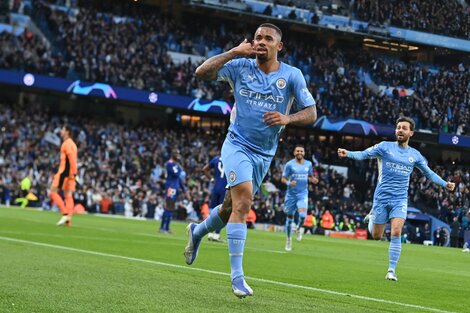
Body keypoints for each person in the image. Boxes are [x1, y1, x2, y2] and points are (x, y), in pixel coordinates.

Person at [184, 23, 316, 298]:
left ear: (279, 46)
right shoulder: (240, 65)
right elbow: (202, 73)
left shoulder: (292, 75)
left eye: (268, 38)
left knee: (231, 206)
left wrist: (287, 118)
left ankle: (197, 232)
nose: (261, 42)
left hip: (265, 153)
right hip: (237, 145)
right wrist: (233, 51)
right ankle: (237, 278)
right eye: (258, 37)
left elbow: (312, 112)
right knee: (243, 202)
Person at [337, 116, 455, 281]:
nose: (400, 130)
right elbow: (364, 154)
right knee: (377, 236)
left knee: (396, 231)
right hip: (381, 198)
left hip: (399, 199)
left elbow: (429, 174)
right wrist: (347, 153)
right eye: (398, 127)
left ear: (411, 133)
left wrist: (445, 184)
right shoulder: (384, 147)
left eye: (404, 128)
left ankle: (391, 270)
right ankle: (372, 218)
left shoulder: (415, 155)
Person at [281, 144, 318, 251]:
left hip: (303, 194)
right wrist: (289, 183)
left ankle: (298, 228)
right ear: (294, 152)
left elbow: (310, 176)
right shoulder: (289, 165)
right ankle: (288, 239)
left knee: (302, 216)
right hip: (291, 196)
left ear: (304, 153)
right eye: (297, 151)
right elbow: (283, 179)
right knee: (289, 219)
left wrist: (313, 180)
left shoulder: (308, 164)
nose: (299, 153)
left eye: (301, 151)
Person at [50, 125, 78, 226]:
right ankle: (68, 220)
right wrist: (74, 173)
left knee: (52, 192)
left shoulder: (67, 144)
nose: (61, 131)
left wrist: (73, 172)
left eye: (62, 129)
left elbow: (71, 159)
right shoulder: (73, 144)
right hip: (70, 173)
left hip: (64, 172)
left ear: (67, 132)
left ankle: (65, 213)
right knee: (68, 195)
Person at [160, 149, 186, 233]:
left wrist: (183, 188)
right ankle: (162, 228)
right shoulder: (170, 164)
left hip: (174, 187)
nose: (178, 156)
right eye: (177, 154)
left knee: (171, 208)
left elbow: (178, 178)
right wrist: (179, 167)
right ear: (173, 154)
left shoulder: (175, 164)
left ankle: (167, 228)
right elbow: (177, 174)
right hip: (170, 188)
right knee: (168, 206)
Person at [202, 155, 227, 242]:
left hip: (216, 187)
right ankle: (216, 234)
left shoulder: (216, 159)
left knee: (212, 210)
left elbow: (204, 169)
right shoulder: (232, 158)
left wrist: (212, 179)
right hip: (225, 189)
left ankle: (210, 233)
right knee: (222, 212)